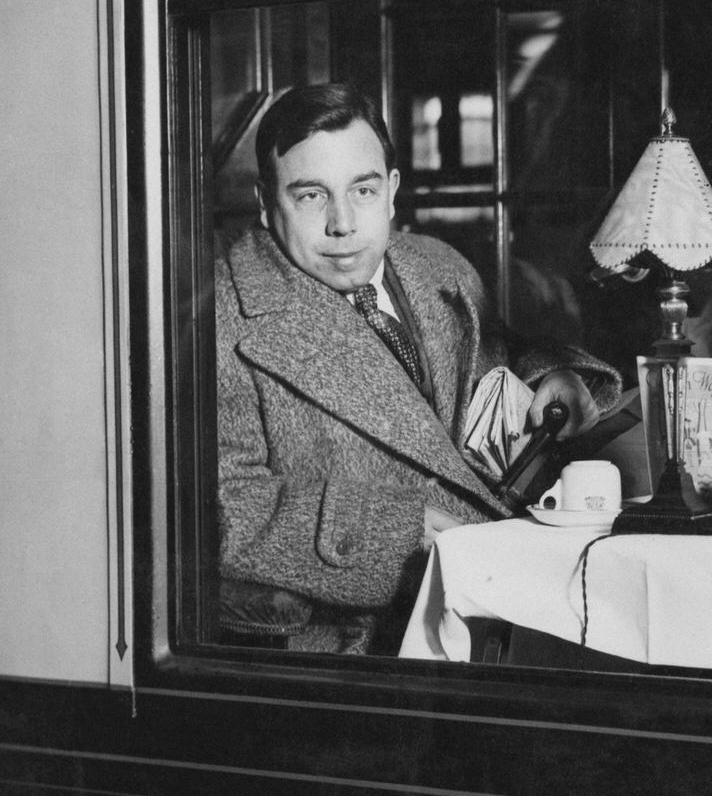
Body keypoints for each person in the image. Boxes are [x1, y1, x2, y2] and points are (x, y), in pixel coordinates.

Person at [216, 83, 621, 652]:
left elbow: (496, 363)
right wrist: (397, 532)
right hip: (367, 658)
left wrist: (547, 378)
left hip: (513, 611)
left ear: (392, 192)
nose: (343, 224)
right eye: (310, 196)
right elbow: (220, 507)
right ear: (265, 202)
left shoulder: (437, 265)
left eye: (363, 189)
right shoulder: (222, 322)